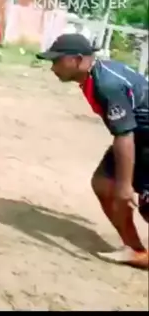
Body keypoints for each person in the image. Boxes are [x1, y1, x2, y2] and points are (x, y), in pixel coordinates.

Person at [37, 33, 149, 269]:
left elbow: (124, 135)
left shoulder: (106, 85)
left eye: (57, 61)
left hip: (141, 138)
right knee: (103, 183)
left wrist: (124, 186)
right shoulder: (94, 76)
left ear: (77, 60)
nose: (53, 67)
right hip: (138, 137)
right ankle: (136, 250)